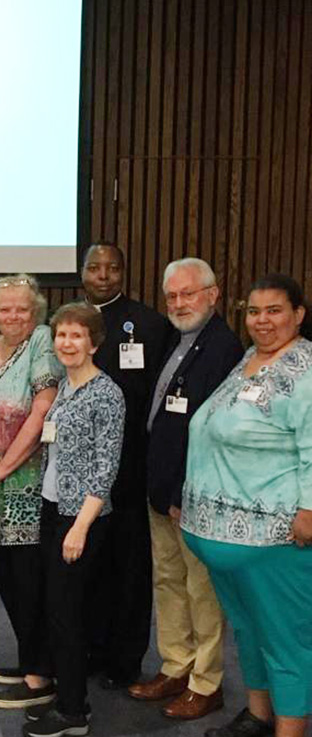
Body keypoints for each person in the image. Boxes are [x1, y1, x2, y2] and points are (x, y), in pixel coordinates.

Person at [181, 273, 312, 737]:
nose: (262, 320)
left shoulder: (306, 371)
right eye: (254, 311)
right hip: (219, 535)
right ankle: (259, 715)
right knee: (250, 633)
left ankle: (291, 729)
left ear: (298, 314)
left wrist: (309, 511)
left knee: (287, 642)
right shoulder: (247, 360)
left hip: (274, 539)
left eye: (275, 310)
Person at [129, 258, 242, 719]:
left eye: (188, 294)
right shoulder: (173, 340)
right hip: (162, 491)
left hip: (192, 495)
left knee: (201, 590)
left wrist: (180, 492)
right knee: (168, 581)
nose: (178, 303)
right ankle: (176, 664)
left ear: (213, 295)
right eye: (172, 295)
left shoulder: (223, 349)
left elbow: (216, 433)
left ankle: (207, 681)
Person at [24, 302, 125, 737]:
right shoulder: (66, 386)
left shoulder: (107, 393)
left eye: (76, 335)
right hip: (53, 507)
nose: (67, 343)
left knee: (67, 613)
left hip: (80, 517)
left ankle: (73, 712)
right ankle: (66, 696)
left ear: (94, 342)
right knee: (55, 607)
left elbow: (106, 468)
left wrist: (79, 527)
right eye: (61, 335)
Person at [0, 274, 64, 709]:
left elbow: (43, 407)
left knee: (29, 580)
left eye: (22, 308)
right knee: (6, 576)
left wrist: (5, 465)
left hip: (26, 483)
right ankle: (31, 657)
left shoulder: (41, 341)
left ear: (36, 309)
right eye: (5, 308)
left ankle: (42, 673)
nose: (13, 316)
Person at [80, 243, 172, 688]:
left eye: (112, 268)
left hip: (131, 469)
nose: (103, 276)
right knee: (87, 567)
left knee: (130, 570)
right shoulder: (66, 324)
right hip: (79, 471)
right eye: (95, 268)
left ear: (123, 273)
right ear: (82, 273)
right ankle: (91, 649)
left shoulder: (150, 325)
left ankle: (125, 659)